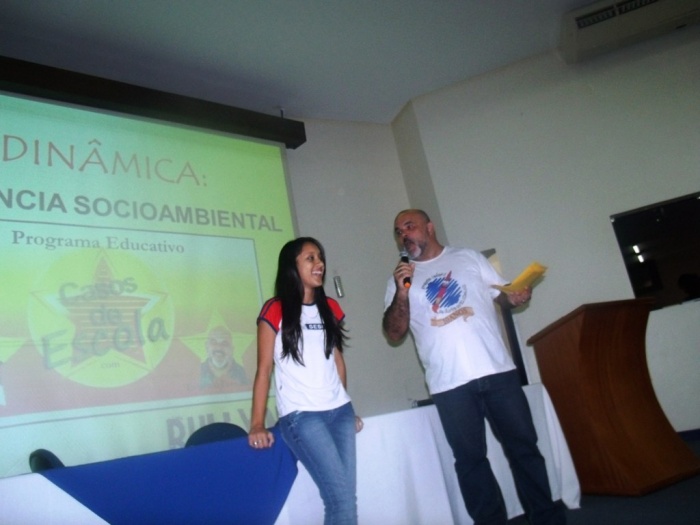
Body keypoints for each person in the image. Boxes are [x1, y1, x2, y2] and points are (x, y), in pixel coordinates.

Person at [383, 209, 565, 525]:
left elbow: (502, 296)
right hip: (449, 385)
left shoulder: (468, 258)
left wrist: (515, 296)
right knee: (470, 463)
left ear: (429, 227)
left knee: (524, 449)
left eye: (409, 226)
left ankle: (547, 520)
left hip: (497, 372)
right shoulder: (399, 281)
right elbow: (394, 332)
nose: (404, 235)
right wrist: (402, 292)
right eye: (399, 232)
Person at [248, 237, 362, 525]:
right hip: (302, 416)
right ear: (292, 266)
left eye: (320, 257)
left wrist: (344, 403)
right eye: (310, 258)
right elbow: (264, 369)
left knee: (345, 498)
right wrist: (257, 424)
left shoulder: (330, 307)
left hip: (340, 412)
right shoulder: (275, 309)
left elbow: (337, 361)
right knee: (341, 500)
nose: (319, 263)